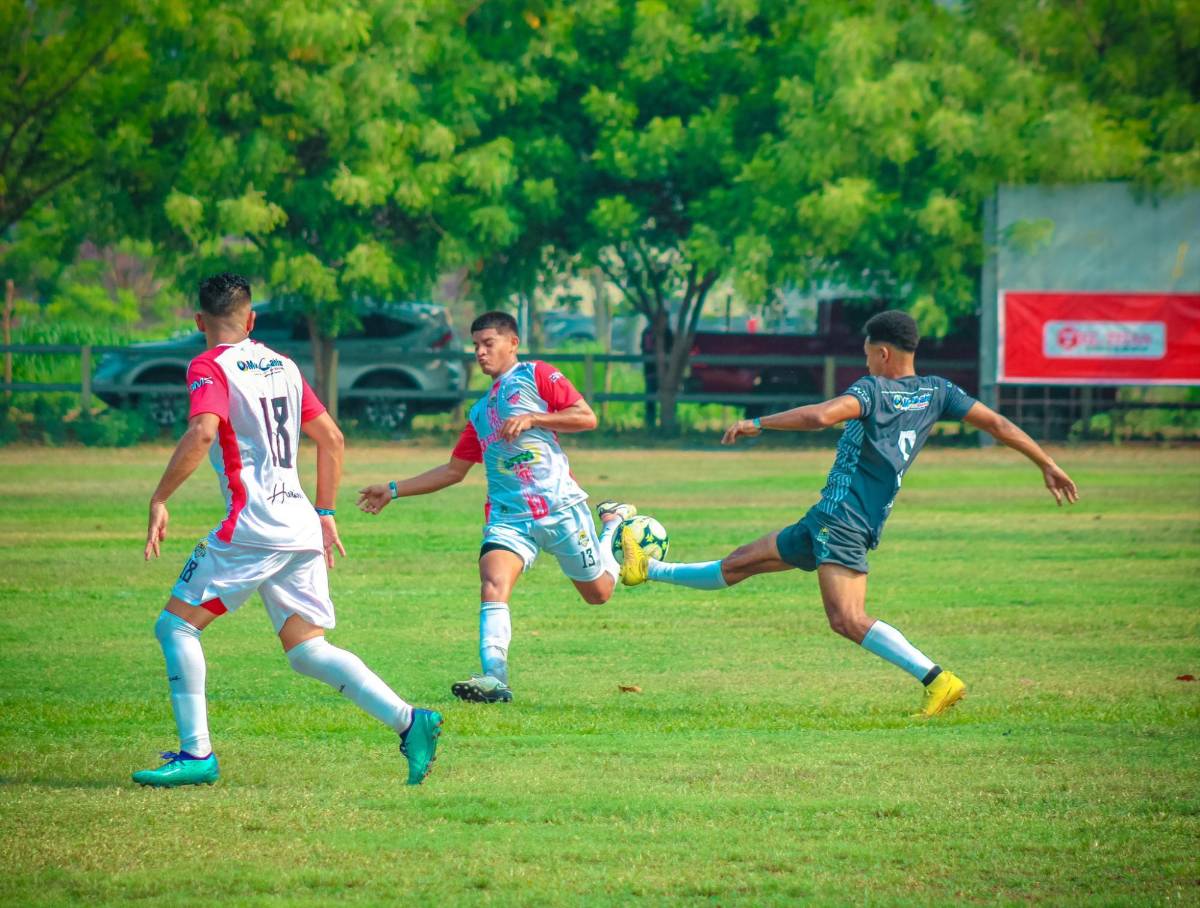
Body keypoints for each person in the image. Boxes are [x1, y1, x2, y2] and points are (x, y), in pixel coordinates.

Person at [620, 309, 1080, 717]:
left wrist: (757, 422)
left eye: (866, 355)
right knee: (740, 563)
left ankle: (938, 679)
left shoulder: (873, 391)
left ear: (882, 353)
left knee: (847, 619)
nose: (864, 363)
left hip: (842, 521)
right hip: (830, 519)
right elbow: (998, 424)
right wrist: (1048, 463)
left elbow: (822, 416)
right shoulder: (938, 392)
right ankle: (647, 569)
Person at [135, 273, 442, 788]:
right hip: (298, 523)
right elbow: (333, 439)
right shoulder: (284, 365)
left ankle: (196, 755)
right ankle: (410, 721)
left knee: (176, 626)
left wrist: (160, 496)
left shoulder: (208, 364)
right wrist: (325, 512)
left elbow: (203, 430)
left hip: (252, 527)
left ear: (198, 322)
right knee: (307, 650)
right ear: (252, 319)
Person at [357, 311, 630, 704]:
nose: (480, 353)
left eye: (489, 344)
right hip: (509, 518)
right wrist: (394, 489)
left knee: (599, 593)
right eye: (476, 346)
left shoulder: (536, 375)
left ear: (512, 343)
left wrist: (534, 417)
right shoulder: (480, 412)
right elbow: (453, 470)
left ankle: (614, 527)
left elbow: (586, 418)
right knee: (493, 582)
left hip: (560, 507)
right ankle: (494, 677)